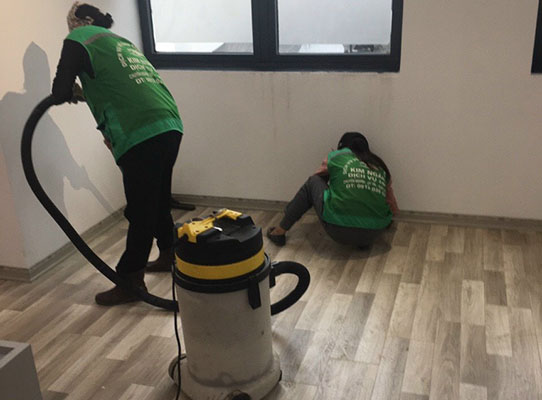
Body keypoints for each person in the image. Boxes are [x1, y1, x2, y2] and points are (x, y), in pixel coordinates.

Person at [52, 2, 183, 306]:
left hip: (140, 130)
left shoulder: (77, 39)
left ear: (75, 23)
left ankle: (130, 281)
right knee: (157, 198)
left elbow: (59, 91)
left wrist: (71, 91)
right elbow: (119, 87)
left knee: (140, 209)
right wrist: (85, 93)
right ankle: (169, 252)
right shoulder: (119, 42)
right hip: (169, 122)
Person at [267, 132, 399, 248]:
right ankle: (362, 243)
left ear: (342, 147)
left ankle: (279, 232)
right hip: (374, 233)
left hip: (339, 231)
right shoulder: (379, 166)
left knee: (312, 182)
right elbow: (393, 207)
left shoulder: (337, 156)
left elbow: (317, 178)